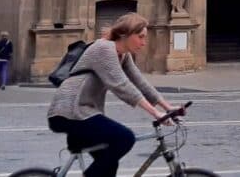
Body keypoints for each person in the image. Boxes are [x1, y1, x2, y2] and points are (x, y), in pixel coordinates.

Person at [47, 13, 178, 177]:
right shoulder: (104, 48)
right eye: (140, 37)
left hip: (84, 112)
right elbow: (121, 85)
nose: (144, 43)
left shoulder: (123, 55)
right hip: (69, 112)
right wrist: (155, 112)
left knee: (109, 164)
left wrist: (168, 107)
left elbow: (140, 82)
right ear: (125, 34)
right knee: (124, 138)